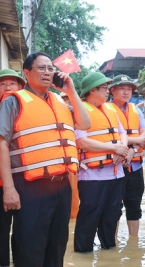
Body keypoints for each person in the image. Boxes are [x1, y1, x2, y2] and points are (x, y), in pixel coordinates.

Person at [0, 52, 90, 267]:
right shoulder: (13, 102)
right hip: (29, 187)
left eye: (50, 68)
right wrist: (8, 189)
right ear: (26, 73)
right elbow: (0, 144)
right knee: (29, 248)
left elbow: (84, 123)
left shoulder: (59, 101)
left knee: (56, 248)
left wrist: (71, 91)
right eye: (41, 68)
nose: (47, 73)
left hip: (61, 186)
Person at [73, 72, 128, 252]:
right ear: (92, 91)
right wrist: (113, 149)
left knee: (112, 216)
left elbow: (122, 133)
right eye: (104, 88)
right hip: (92, 177)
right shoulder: (80, 110)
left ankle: (109, 254)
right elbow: (81, 142)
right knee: (89, 216)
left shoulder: (111, 109)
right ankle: (83, 253)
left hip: (116, 174)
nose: (107, 92)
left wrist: (123, 148)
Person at [0, 69, 24, 267]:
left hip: (26, 184)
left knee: (24, 234)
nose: (8, 87)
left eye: (13, 83)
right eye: (3, 84)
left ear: (21, 87)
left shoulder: (28, 113)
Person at [107, 74, 145, 236]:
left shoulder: (136, 110)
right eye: (121, 88)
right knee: (114, 207)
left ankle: (133, 245)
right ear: (112, 90)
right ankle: (112, 242)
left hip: (135, 166)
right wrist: (132, 141)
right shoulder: (105, 110)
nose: (126, 92)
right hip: (113, 168)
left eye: (129, 89)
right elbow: (109, 138)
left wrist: (133, 150)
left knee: (134, 206)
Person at [60, 91, 79, 219]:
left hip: (75, 159)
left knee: (74, 191)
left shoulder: (77, 114)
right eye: (64, 98)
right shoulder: (58, 113)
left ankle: (73, 218)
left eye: (69, 98)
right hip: (60, 159)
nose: (68, 101)